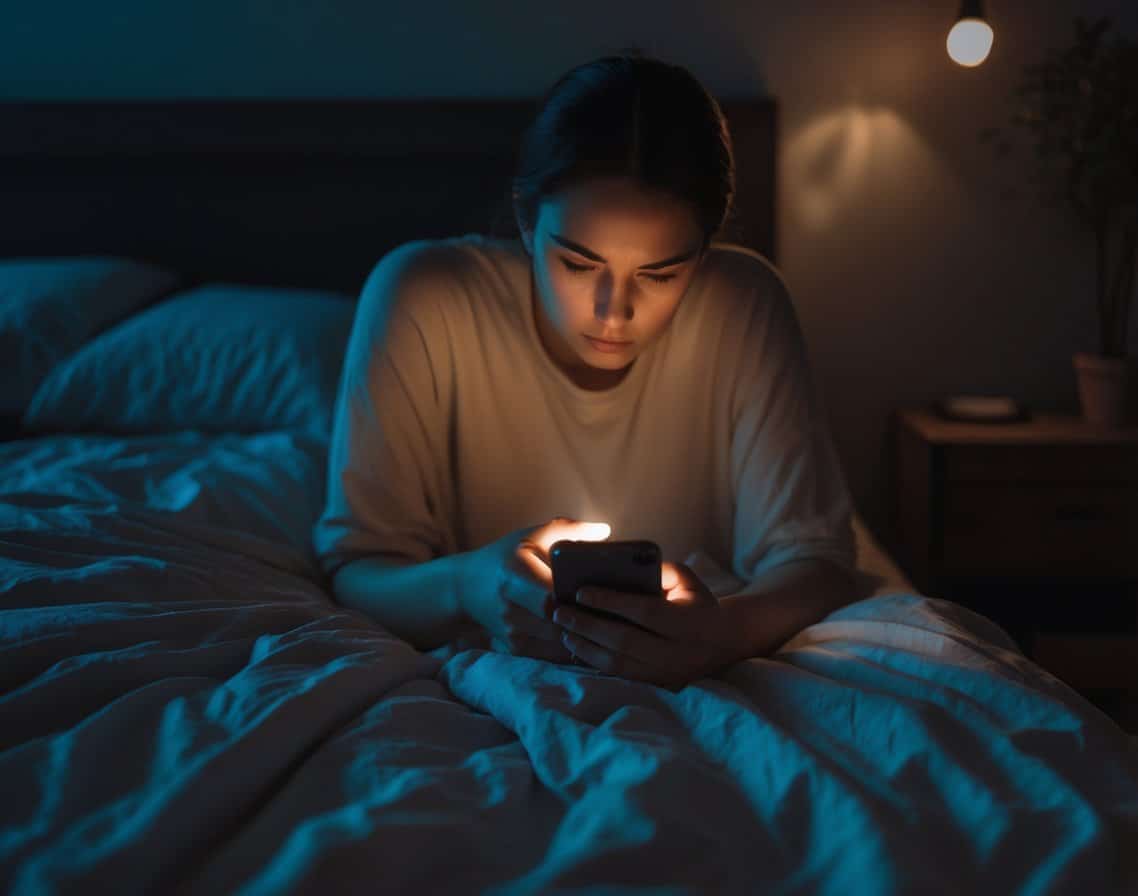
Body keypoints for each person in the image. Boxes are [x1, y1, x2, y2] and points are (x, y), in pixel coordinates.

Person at [312, 51, 874, 691]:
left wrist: (724, 633)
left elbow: (818, 561)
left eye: (660, 274)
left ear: (705, 250)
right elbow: (359, 568)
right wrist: (467, 585)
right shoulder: (425, 298)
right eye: (579, 265)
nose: (615, 312)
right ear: (526, 221)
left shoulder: (743, 303)